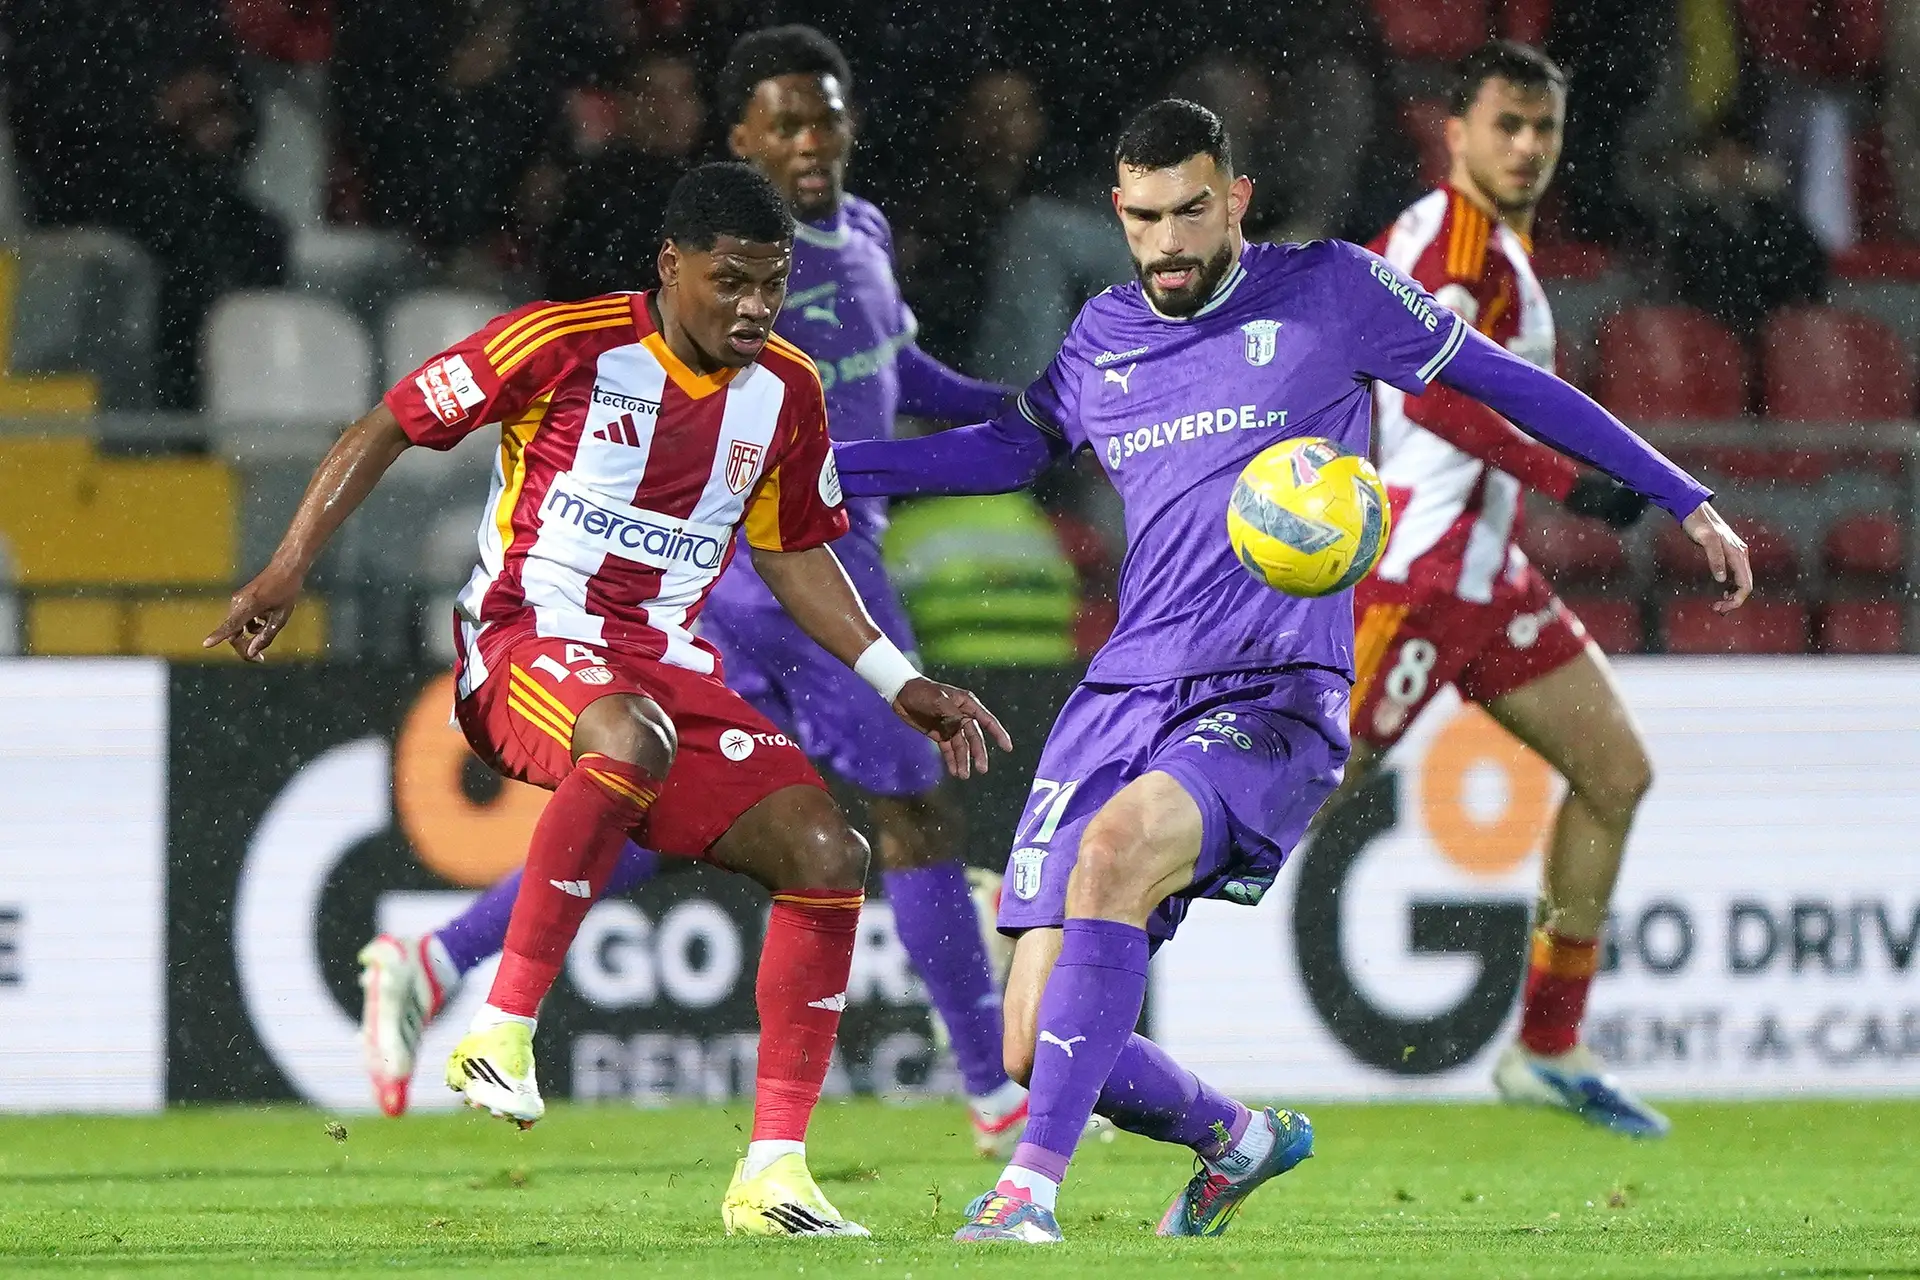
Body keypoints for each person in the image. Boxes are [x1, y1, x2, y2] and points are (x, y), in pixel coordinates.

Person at [834, 99, 1751, 1245]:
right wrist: (826, 464)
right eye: (1146, 218)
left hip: (1271, 694)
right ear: (1119, 213)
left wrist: (1678, 489)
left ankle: (1027, 1191)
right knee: (1034, 1033)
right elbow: (1012, 445)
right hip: (1122, 693)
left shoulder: (1334, 290)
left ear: (1236, 201)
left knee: (1115, 857)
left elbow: (1505, 386)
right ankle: (1236, 1136)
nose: (1169, 241)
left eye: (1192, 212)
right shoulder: (1106, 332)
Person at [207, 161, 1010, 1238]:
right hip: (524, 641)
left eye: (771, 285)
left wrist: (898, 679)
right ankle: (501, 1023)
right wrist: (286, 565)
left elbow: (801, 556)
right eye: (730, 282)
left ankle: (772, 1175)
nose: (754, 308)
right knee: (630, 732)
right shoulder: (564, 342)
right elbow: (388, 422)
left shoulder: (787, 392)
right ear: (671, 266)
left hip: (668, 662)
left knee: (827, 849)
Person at [354, 25, 1034, 1158]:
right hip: (796, 571)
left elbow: (892, 370)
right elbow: (797, 455)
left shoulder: (857, 234)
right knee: (912, 812)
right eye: (785, 124)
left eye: (827, 118)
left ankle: (441, 955)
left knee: (677, 814)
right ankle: (995, 1093)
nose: (812, 144)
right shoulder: (748, 290)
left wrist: (1017, 409)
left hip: (757, 578)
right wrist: (960, 455)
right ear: (739, 138)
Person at [1340, 41, 1674, 1138]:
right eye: (1508, 125)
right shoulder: (1449, 238)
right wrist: (1566, 476)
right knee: (1270, 808)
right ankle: (1064, 970)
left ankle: (1546, 1044)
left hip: (1486, 579)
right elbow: (1428, 393)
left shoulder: (1502, 247)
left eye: (1545, 128)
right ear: (1457, 129)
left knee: (1615, 771)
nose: (1527, 147)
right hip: (1414, 578)